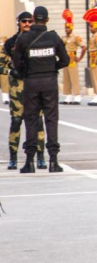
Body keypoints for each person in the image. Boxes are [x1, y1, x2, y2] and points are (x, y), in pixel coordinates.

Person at [12, 6, 70, 173]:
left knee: (31, 120)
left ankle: (29, 162)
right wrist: (53, 67)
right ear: (47, 19)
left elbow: (17, 63)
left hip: (31, 83)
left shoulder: (23, 38)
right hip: (49, 83)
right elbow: (65, 60)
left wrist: (27, 73)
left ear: (33, 19)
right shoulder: (53, 37)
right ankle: (53, 161)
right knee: (51, 120)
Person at [0, 12, 47, 170]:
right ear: (19, 23)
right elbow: (1, 64)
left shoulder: (39, 40)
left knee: (38, 121)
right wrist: (11, 71)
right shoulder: (11, 43)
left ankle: (40, 157)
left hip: (35, 85)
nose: (27, 24)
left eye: (29, 21)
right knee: (16, 121)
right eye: (24, 21)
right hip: (17, 88)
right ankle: (13, 157)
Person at [61, 10, 86, 105]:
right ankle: (68, 95)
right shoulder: (63, 38)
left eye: (68, 28)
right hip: (65, 59)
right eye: (65, 28)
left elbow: (84, 47)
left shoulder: (75, 38)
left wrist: (79, 58)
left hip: (72, 59)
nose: (66, 29)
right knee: (66, 78)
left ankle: (77, 95)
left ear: (71, 27)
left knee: (74, 77)